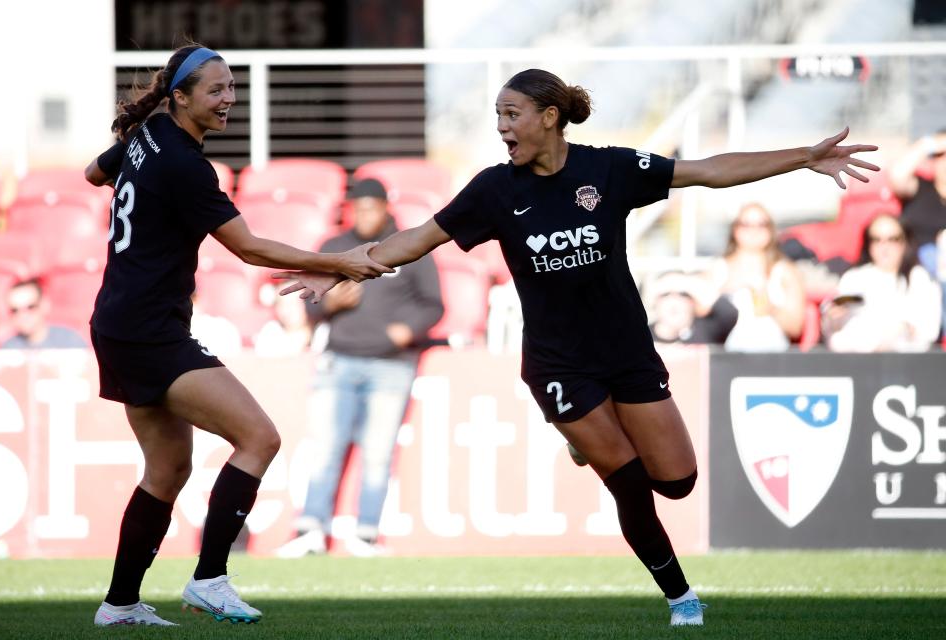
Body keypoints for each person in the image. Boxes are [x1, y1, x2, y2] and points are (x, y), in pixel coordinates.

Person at [274, 68, 879, 627]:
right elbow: (417, 239)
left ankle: (584, 444)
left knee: (678, 482)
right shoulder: (492, 191)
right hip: (558, 365)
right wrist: (340, 268)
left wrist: (804, 157)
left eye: (512, 114)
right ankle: (681, 598)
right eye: (497, 115)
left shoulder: (609, 170)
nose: (502, 127)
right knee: (629, 484)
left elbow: (709, 170)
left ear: (549, 117)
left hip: (627, 352)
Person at [82, 44, 389, 627]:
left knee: (168, 469)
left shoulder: (149, 138)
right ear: (181, 97)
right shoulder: (182, 163)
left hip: (121, 320)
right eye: (217, 90)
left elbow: (94, 174)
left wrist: (128, 152)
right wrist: (337, 263)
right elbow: (247, 248)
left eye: (231, 87)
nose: (230, 99)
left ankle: (119, 603)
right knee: (259, 437)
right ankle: (210, 580)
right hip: (147, 328)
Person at [276, 178, 444, 558]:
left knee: (378, 453)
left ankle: (366, 533)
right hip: (339, 359)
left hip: (392, 364)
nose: (365, 214)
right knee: (325, 448)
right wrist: (331, 306)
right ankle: (310, 530)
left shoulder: (409, 246)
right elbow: (310, 306)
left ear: (386, 207)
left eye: (372, 206)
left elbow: (434, 304)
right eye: (358, 207)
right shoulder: (334, 248)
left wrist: (408, 329)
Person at [822, 213, 941, 352]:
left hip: (905, 362)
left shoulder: (920, 279)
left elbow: (928, 332)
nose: (884, 247)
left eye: (893, 239)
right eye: (876, 239)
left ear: (905, 242)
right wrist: (832, 317)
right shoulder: (854, 278)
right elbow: (835, 334)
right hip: (856, 359)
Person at [710, 202, 807, 352]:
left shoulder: (786, 271)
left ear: (771, 230)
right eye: (746, 224)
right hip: (726, 353)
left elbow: (795, 327)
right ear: (735, 229)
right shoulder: (718, 267)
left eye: (762, 224)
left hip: (773, 351)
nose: (754, 230)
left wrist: (771, 308)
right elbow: (699, 310)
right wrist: (727, 287)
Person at [647, 271, 738, 345]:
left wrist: (687, 282)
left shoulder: (706, 331)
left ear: (693, 300)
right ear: (655, 300)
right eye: (665, 294)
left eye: (683, 294)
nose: (674, 300)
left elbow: (729, 313)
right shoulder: (640, 336)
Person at [0, 278, 88, 349]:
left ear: (44, 305)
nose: (23, 315)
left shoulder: (70, 342)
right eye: (15, 310)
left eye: (30, 307)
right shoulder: (7, 350)